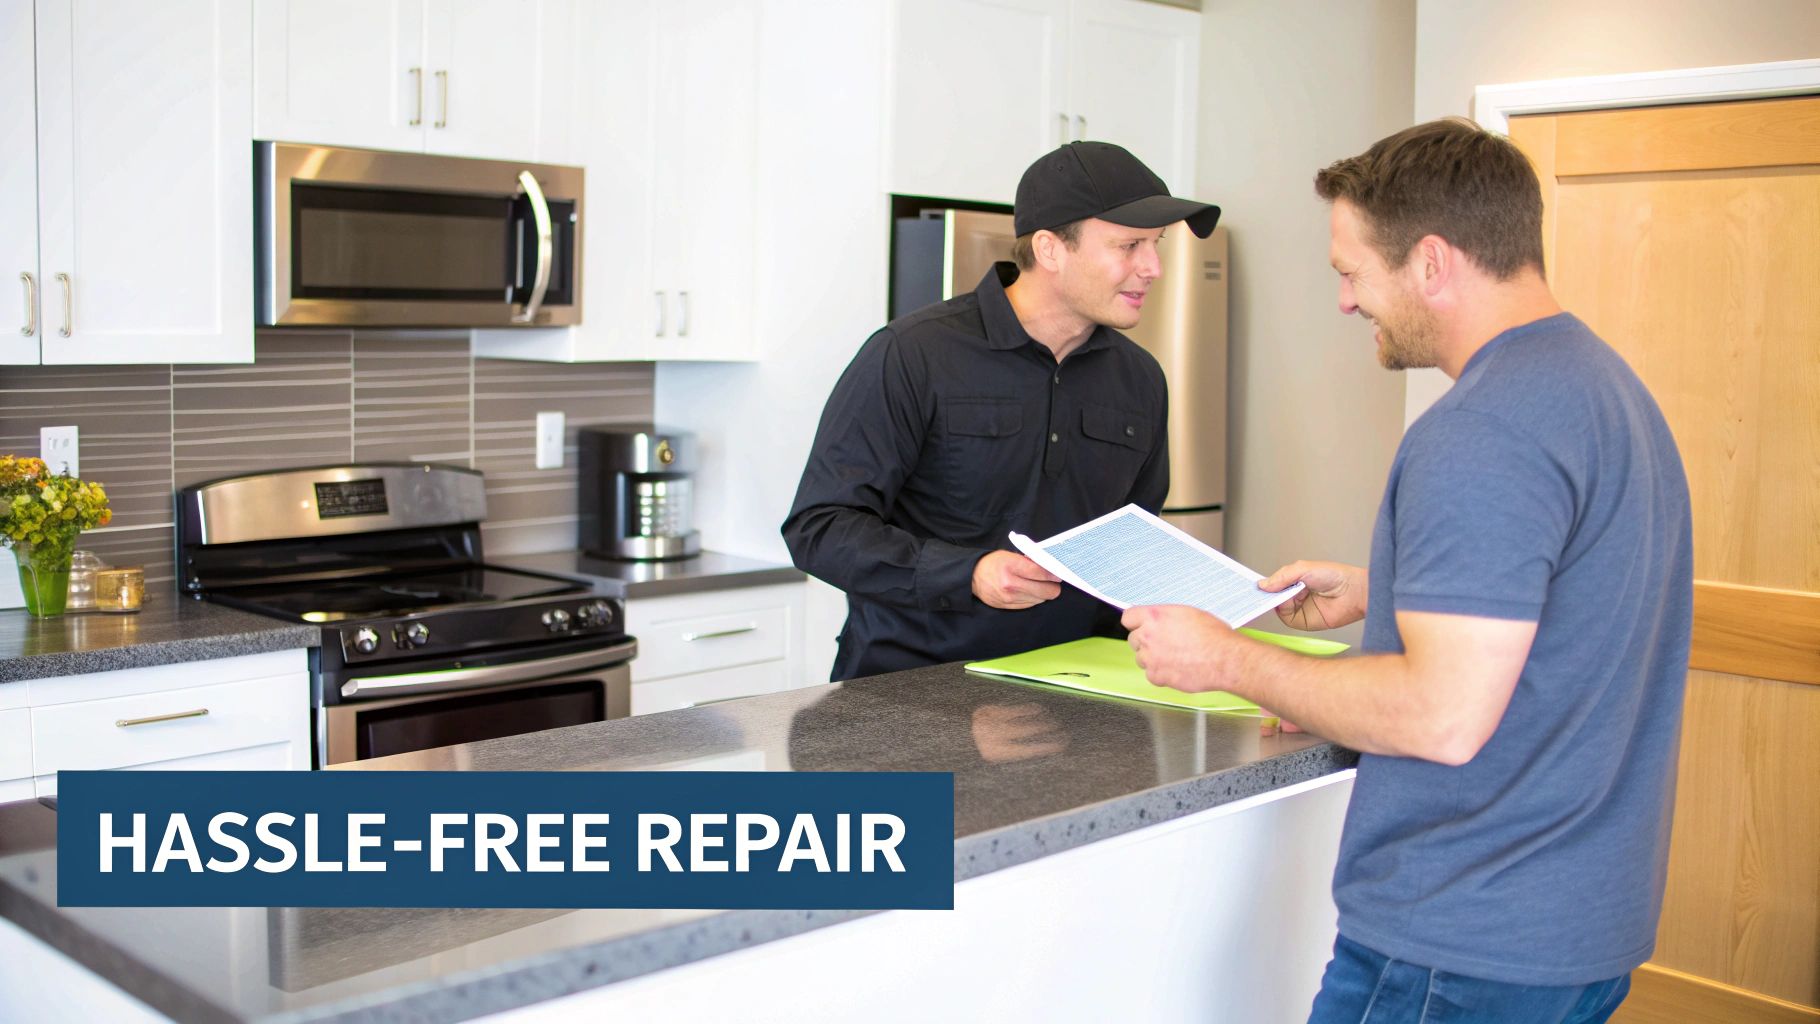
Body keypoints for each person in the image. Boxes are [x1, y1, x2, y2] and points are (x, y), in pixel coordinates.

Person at [1122, 118, 1693, 1022]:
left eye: (1352, 272)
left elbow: (1442, 716)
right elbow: (1575, 610)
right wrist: (1387, 592)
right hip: (1578, 927)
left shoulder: (1480, 430)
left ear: (1430, 262)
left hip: (1461, 944)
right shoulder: (1601, 386)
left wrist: (1228, 659)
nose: (1347, 302)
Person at [784, 142, 1220, 680]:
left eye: (1155, 245)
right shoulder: (912, 354)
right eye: (1129, 245)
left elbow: (1131, 545)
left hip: (1077, 693)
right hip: (911, 694)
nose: (1153, 267)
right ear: (1050, 249)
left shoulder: (1141, 380)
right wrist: (968, 573)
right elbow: (818, 529)